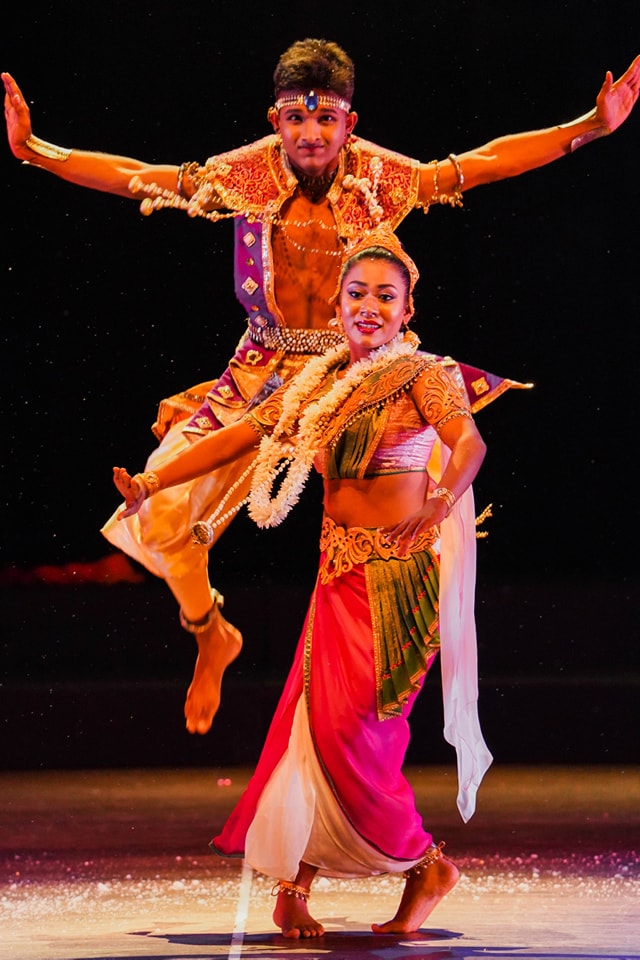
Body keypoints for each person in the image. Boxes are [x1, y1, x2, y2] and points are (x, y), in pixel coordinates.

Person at [4, 41, 639, 739]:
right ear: (274, 119)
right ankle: (210, 631)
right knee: (158, 515)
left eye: (326, 121)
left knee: (410, 533)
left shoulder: (380, 180)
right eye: (295, 120)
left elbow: (483, 164)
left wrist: (589, 126)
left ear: (349, 122)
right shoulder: (242, 176)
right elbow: (136, 178)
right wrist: (35, 149)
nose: (311, 135)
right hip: (260, 372)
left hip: (358, 375)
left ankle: (377, 705)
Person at [111, 227, 507, 938]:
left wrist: (443, 501)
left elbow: (470, 444)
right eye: (357, 293)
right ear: (335, 310)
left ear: (407, 310)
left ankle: (426, 866)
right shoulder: (315, 382)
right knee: (308, 734)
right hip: (334, 582)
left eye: (386, 296)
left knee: (358, 737)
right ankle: (294, 886)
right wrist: (150, 481)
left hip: (399, 581)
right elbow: (239, 436)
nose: (369, 305)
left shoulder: (422, 376)